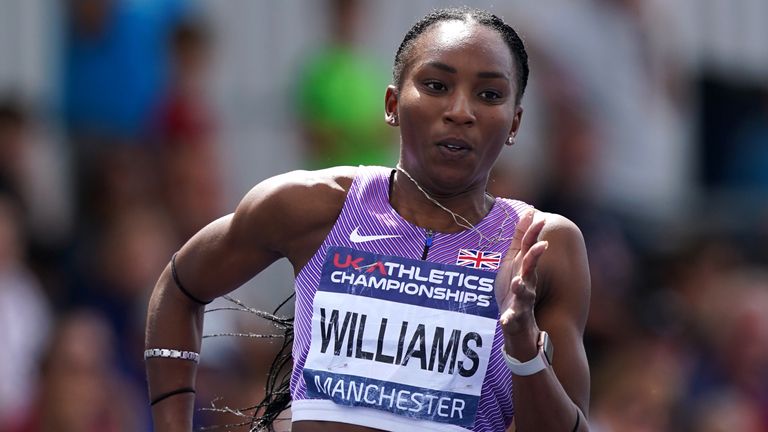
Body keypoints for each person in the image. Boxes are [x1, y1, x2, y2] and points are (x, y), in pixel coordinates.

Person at [145, 7, 591, 432]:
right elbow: (179, 288)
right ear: (392, 104)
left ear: (514, 123)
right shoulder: (315, 207)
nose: (460, 111)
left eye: (489, 94)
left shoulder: (541, 248)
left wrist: (522, 345)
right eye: (436, 85)